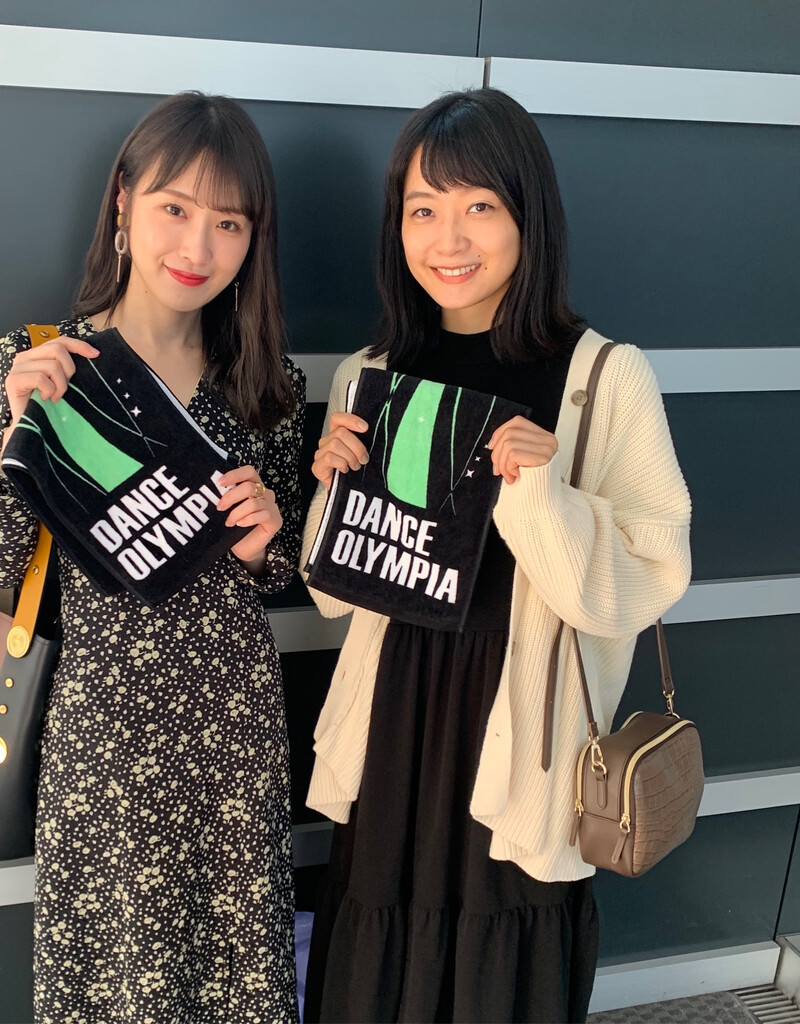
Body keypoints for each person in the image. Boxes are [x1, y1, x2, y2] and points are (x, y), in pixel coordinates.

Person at [300, 88, 691, 1023]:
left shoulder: (603, 377)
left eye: (479, 205)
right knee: (378, 958)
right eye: (422, 210)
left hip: (524, 730)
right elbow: (333, 596)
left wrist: (542, 496)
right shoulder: (372, 372)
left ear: (529, 215)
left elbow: (648, 575)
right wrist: (331, 492)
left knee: (496, 972)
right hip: (395, 711)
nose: (449, 239)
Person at [0, 92, 306, 1024]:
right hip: (103, 729)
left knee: (237, 979)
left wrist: (267, 545)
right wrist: (17, 438)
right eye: (174, 208)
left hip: (233, 728)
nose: (198, 246)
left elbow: (280, 575)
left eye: (229, 223)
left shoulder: (264, 385)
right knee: (114, 983)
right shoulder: (36, 361)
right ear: (123, 200)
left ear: (253, 240)